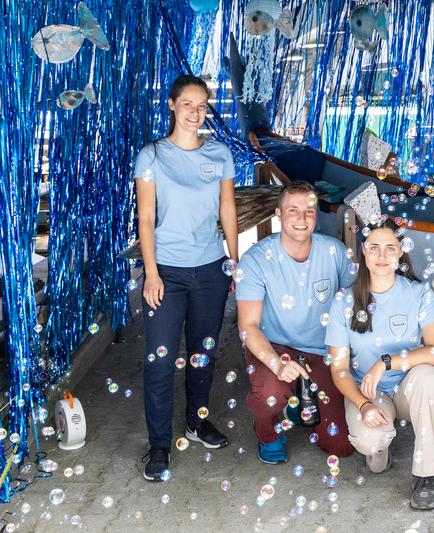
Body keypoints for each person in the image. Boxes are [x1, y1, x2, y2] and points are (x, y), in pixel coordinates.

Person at [135, 75, 238, 481]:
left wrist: (235, 260)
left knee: (203, 354)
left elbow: (227, 210)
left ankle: (196, 424)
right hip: (168, 273)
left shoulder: (220, 154)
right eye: (189, 104)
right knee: (159, 361)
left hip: (211, 269)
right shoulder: (152, 156)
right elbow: (145, 218)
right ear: (172, 105)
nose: (196, 113)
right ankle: (159, 445)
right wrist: (151, 273)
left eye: (203, 105)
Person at [325, 218, 434, 510]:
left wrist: (386, 362)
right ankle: (381, 449)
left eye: (390, 248)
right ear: (363, 252)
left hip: (408, 387)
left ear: (400, 253)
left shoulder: (418, 292)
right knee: (371, 446)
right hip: (369, 392)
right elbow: (339, 369)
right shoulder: (344, 300)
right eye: (375, 247)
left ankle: (425, 474)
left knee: (429, 378)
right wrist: (364, 405)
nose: (382, 256)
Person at [236, 181, 356, 464]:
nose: (302, 219)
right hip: (275, 346)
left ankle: (303, 401)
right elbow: (248, 327)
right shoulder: (255, 259)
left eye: (309, 211)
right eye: (293, 210)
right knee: (270, 396)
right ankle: (267, 433)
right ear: (278, 214)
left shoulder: (335, 252)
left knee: (340, 445)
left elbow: (353, 306)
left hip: (322, 349)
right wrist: (277, 364)